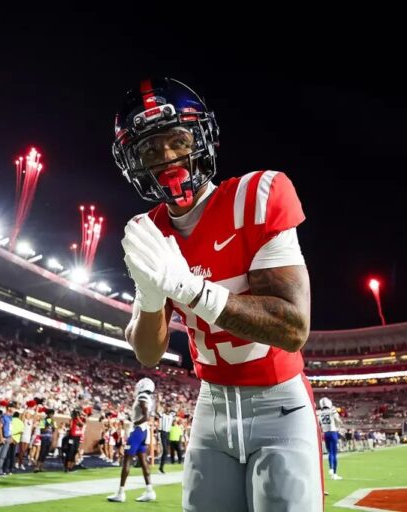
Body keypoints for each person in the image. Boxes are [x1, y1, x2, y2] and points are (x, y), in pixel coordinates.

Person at [116, 77, 321, 511]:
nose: (168, 157)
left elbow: (292, 326)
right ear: (133, 162)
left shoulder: (257, 195)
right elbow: (148, 354)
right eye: (151, 150)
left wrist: (189, 288)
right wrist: (152, 296)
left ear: (202, 137)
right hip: (210, 409)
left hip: (279, 404)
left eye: (177, 140)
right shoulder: (149, 229)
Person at [107, 378, 156, 503]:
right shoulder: (149, 398)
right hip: (143, 432)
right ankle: (149, 490)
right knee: (143, 461)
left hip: (138, 431)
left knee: (127, 461)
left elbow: (145, 416)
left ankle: (120, 493)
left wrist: (134, 422)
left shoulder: (142, 397)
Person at [317, 397, 343, 481]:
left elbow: (318, 424)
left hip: (325, 433)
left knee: (329, 453)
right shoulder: (332, 410)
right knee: (334, 453)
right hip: (332, 432)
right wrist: (339, 425)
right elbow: (339, 421)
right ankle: (334, 473)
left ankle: (331, 468)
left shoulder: (319, 412)